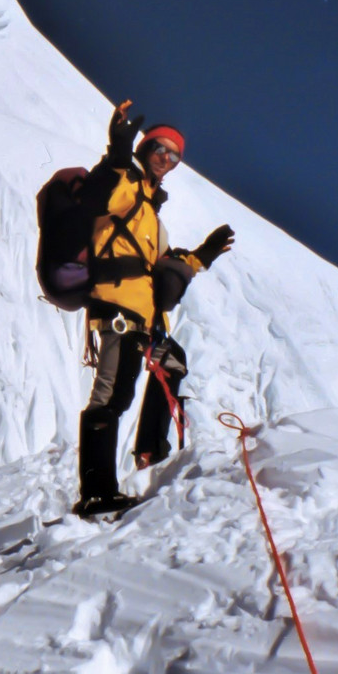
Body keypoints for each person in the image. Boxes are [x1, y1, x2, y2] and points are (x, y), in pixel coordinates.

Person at [72, 101, 235, 516]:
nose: (167, 158)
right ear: (145, 149)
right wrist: (116, 154)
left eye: (175, 155)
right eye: (161, 149)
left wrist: (201, 257)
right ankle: (96, 493)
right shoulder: (126, 184)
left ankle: (150, 452)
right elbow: (95, 197)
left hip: (145, 319)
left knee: (173, 363)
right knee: (110, 397)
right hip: (118, 310)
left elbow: (162, 269)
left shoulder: (150, 211)